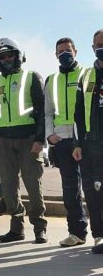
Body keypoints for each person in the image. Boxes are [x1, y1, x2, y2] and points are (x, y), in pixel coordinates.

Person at [0, 38, 47, 243]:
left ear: (18, 55)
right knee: (8, 186)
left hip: (28, 138)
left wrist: (40, 138)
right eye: (2, 57)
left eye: (10, 55)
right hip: (2, 140)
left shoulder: (31, 77)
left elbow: (41, 110)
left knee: (32, 182)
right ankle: (16, 228)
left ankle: (39, 227)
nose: (6, 59)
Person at [45, 37, 88, 247]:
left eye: (68, 50)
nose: (64, 54)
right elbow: (47, 113)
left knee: (94, 188)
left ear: (76, 51)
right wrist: (49, 135)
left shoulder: (88, 75)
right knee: (70, 191)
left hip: (86, 140)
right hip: (62, 141)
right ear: (55, 55)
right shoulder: (51, 80)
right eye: (60, 51)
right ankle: (77, 233)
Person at [72, 29, 103, 254]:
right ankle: (99, 236)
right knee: (93, 193)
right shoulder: (86, 76)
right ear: (93, 48)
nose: (101, 48)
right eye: (98, 45)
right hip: (91, 145)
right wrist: (77, 144)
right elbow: (78, 115)